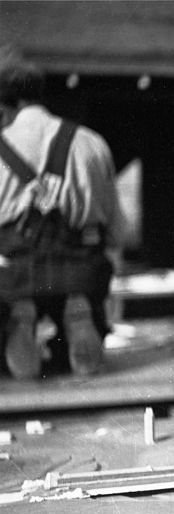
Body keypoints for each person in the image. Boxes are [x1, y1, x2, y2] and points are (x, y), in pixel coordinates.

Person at [0, 55, 121, 378]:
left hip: (15, 275)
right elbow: (113, 227)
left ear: (5, 106)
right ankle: (80, 312)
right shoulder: (90, 142)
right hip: (81, 270)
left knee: (11, 297)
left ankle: (20, 315)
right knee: (82, 283)